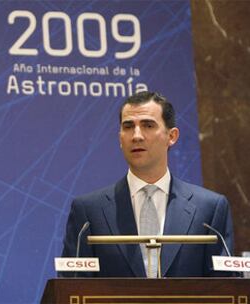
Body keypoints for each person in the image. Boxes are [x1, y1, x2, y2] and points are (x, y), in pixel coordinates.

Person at [61, 91, 234, 277]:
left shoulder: (209, 208)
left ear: (172, 136)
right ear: (120, 138)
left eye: (148, 125)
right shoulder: (88, 211)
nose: (136, 135)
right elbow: (73, 288)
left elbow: (224, 285)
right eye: (128, 127)